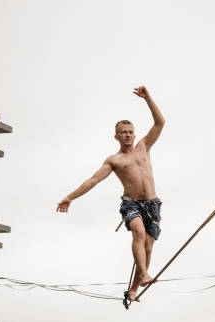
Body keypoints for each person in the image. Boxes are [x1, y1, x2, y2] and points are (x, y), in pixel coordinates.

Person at [56, 86, 165, 302]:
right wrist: (70, 196)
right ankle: (143, 273)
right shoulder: (114, 160)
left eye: (130, 132)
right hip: (131, 204)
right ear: (116, 136)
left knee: (148, 247)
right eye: (123, 132)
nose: (128, 135)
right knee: (138, 233)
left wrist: (147, 98)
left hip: (152, 204)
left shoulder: (144, 146)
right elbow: (93, 181)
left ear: (134, 134)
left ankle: (134, 289)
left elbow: (160, 122)